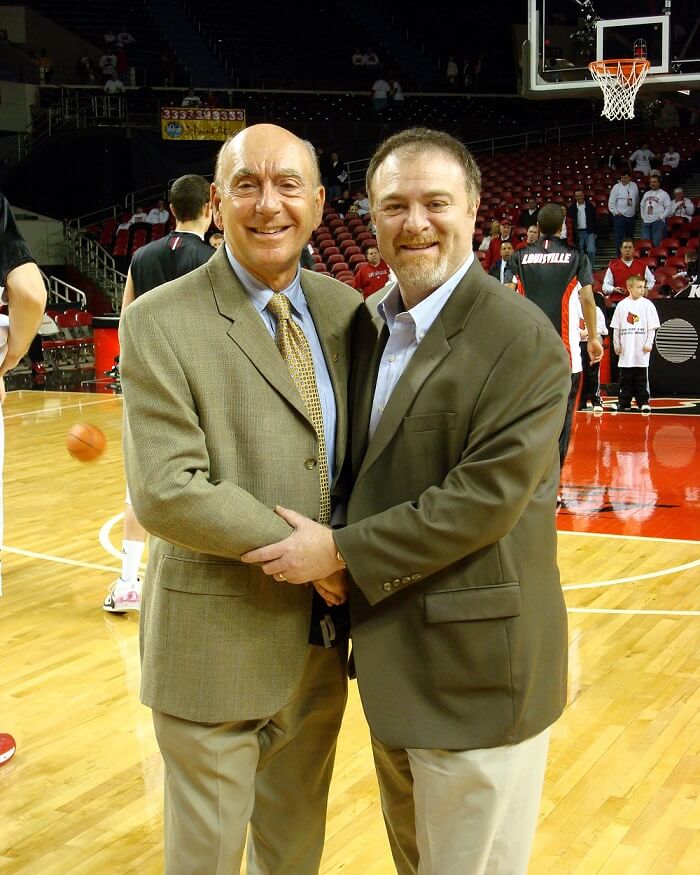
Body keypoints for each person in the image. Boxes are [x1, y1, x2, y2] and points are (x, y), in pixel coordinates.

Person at [242, 127, 573, 875]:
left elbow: (481, 500)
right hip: (394, 669)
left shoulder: (521, 339)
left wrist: (338, 552)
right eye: (395, 205)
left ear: (476, 210)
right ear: (370, 216)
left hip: (478, 678)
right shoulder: (367, 326)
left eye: (435, 202)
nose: (415, 222)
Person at [119, 124, 360, 874]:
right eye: (247, 186)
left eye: (288, 184)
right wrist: (315, 556)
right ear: (217, 204)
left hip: (319, 652)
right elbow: (166, 490)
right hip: (211, 650)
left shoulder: (351, 311)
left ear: (319, 204)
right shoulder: (158, 318)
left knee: (294, 860)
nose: (268, 204)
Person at [102, 175, 215, 614]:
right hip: (195, 385)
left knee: (141, 487)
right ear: (209, 208)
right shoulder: (213, 260)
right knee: (199, 484)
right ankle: (193, 584)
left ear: (171, 209)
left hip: (147, 382)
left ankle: (129, 580)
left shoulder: (141, 256)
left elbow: (126, 320)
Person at [505, 203, 603, 470]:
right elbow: (587, 299)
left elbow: (505, 298)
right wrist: (593, 338)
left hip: (527, 356)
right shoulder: (577, 257)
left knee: (527, 418)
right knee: (561, 419)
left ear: (537, 227)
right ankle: (551, 484)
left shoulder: (518, 257)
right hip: (565, 357)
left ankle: (526, 478)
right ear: (563, 226)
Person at [610, 275, 660, 413]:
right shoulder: (622, 305)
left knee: (640, 378)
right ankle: (624, 402)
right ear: (629, 288)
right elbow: (616, 327)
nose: (642, 290)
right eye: (639, 287)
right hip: (626, 350)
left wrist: (649, 343)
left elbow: (652, 328)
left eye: (643, 287)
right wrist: (616, 344)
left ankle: (643, 402)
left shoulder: (647, 305)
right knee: (625, 379)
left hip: (641, 349)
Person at [577, 298, 608, 413]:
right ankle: (581, 400)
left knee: (593, 373)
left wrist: (590, 332)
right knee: (580, 373)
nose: (580, 297)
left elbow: (602, 328)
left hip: (593, 344)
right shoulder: (573, 309)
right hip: (577, 345)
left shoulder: (596, 309)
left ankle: (596, 400)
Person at [608, 171, 639, 255]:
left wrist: (635, 211)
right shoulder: (616, 187)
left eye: (625, 178)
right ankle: (619, 256)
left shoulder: (634, 185)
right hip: (620, 217)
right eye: (622, 178)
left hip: (631, 217)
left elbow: (637, 199)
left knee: (630, 238)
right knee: (620, 239)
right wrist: (616, 213)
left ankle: (630, 255)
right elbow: (611, 203)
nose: (623, 180)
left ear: (629, 178)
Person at [566, 189, 597, 263]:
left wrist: (595, 232)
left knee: (591, 251)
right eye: (577, 196)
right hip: (578, 233)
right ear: (575, 197)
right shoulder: (571, 208)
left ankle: (591, 268)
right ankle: (582, 269)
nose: (579, 197)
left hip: (589, 232)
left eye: (580, 195)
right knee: (580, 252)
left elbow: (595, 220)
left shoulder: (590, 207)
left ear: (583, 196)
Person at [639, 175, 671, 248]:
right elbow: (642, 205)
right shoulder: (647, 193)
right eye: (651, 182)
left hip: (658, 221)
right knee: (645, 242)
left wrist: (661, 217)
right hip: (646, 222)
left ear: (659, 183)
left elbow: (668, 208)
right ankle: (647, 259)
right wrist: (642, 216)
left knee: (656, 242)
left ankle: (655, 258)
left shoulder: (664, 194)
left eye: (655, 182)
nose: (653, 184)